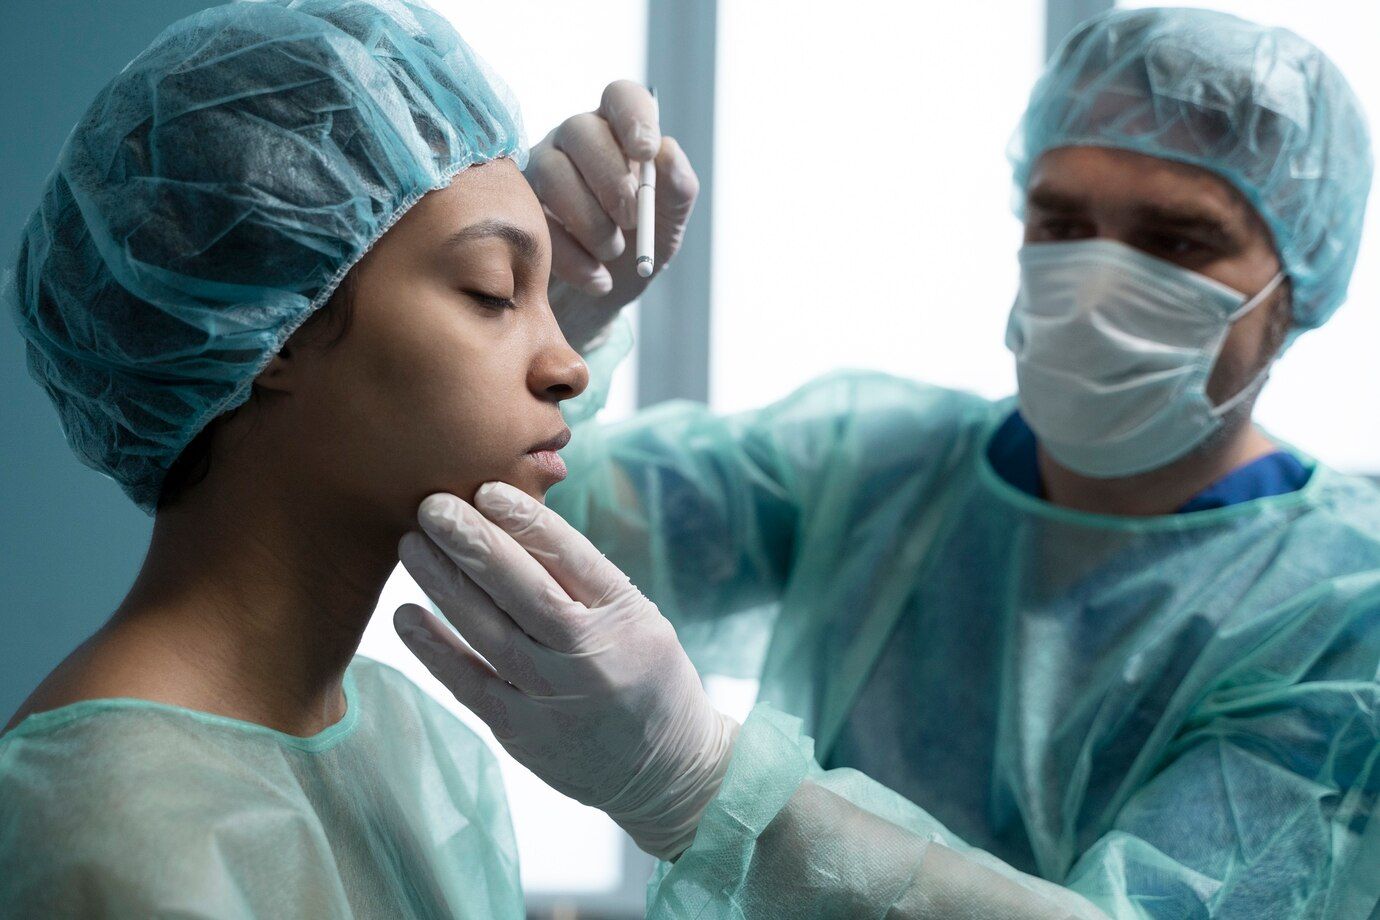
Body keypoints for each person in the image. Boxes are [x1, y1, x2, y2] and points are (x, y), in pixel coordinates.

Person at [397, 8, 1380, 917]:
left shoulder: (1343, 614)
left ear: (1300, 284)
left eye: (1178, 241)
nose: (1098, 279)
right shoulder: (878, 470)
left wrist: (702, 783)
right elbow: (502, 519)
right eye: (1062, 223)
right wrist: (547, 322)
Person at [0, 0, 696, 915]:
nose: (571, 364)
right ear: (273, 331)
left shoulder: (413, 743)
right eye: (493, 291)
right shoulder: (108, 831)